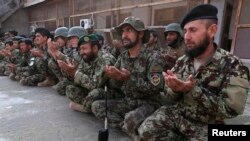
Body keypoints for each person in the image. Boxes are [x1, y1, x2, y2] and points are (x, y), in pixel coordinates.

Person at [138, 4, 250, 141]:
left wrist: (193, 90)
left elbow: (231, 110)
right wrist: (174, 89)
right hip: (180, 116)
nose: (186, 37)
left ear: (212, 30)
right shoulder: (183, 61)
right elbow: (169, 96)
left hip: (208, 125)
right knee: (146, 131)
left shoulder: (233, 65)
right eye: (185, 31)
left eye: (193, 30)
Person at [91, 16, 164, 140]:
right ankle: (126, 127)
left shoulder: (154, 57)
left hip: (148, 103)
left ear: (140, 34)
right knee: (96, 106)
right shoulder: (123, 56)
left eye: (129, 30)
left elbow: (156, 88)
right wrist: (112, 76)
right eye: (123, 32)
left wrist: (128, 78)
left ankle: (130, 124)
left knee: (130, 119)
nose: (124, 35)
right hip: (127, 101)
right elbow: (116, 84)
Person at [58, 34, 121, 113]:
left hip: (109, 91)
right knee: (70, 89)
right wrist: (69, 71)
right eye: (80, 49)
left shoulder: (106, 59)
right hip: (92, 89)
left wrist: (74, 73)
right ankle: (90, 106)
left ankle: (87, 108)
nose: (81, 52)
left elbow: (94, 84)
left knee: (95, 93)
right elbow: (78, 76)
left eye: (84, 49)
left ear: (95, 48)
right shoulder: (87, 58)